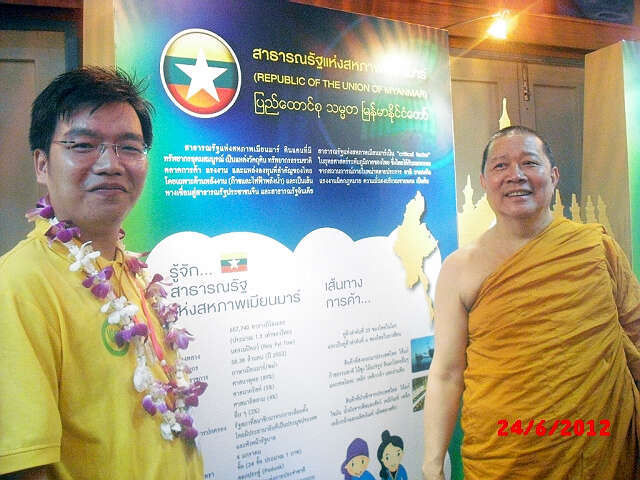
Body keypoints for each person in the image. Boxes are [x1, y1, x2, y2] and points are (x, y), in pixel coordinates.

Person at [0, 67, 206, 479]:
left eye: (129, 147)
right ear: (41, 164)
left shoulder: (131, 271)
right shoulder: (20, 284)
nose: (111, 164)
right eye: (83, 145)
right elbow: (26, 466)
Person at [422, 126, 640, 479]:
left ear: (553, 176)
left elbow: (636, 335)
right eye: (500, 166)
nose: (516, 175)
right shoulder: (459, 268)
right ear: (484, 182)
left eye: (529, 163)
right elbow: (446, 373)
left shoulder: (595, 248)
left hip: (599, 449)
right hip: (505, 455)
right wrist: (432, 464)